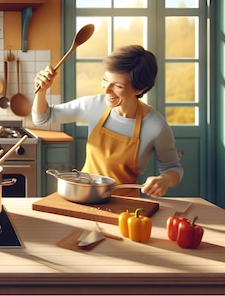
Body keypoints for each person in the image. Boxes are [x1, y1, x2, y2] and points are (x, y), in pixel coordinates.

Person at [32, 45, 183, 198]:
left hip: (126, 206)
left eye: (117, 86)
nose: (106, 90)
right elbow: (43, 117)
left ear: (140, 89)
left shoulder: (155, 126)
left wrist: (164, 179)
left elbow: (173, 168)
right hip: (85, 197)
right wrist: (42, 91)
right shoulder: (93, 105)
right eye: (105, 80)